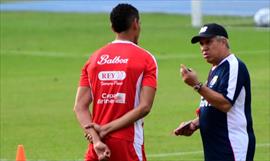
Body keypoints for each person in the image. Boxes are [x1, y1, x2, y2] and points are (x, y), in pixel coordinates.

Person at [73, 3, 158, 161]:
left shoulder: (94, 59)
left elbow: (79, 106)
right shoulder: (146, 59)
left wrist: (96, 139)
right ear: (135, 24)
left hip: (98, 145)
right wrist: (105, 129)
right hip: (128, 142)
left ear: (112, 27)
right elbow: (145, 107)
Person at [173, 23, 256, 161]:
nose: (204, 48)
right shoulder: (215, 69)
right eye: (201, 44)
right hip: (215, 146)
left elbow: (225, 104)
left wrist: (196, 85)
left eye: (209, 42)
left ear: (223, 42)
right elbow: (213, 107)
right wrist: (195, 124)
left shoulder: (233, 66)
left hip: (232, 146)